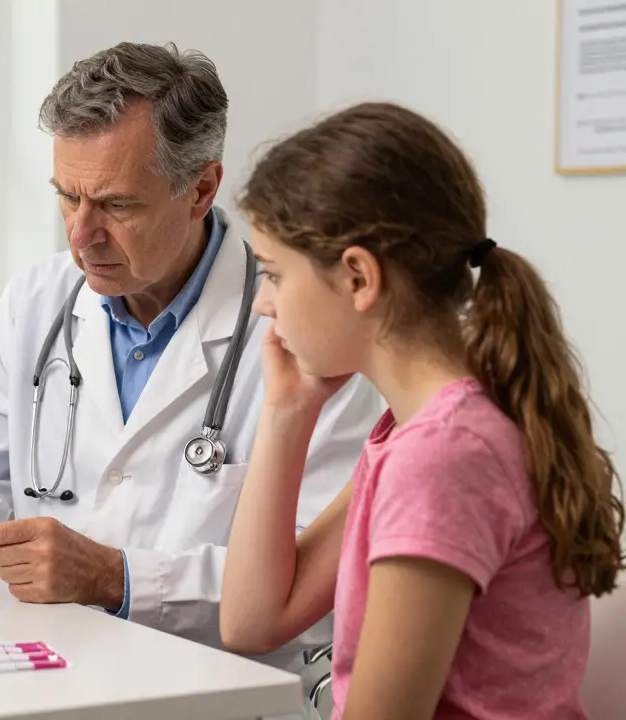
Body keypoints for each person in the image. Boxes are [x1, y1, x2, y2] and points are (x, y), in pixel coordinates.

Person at [0, 41, 386, 710]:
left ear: (201, 187)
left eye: (116, 205)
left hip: (219, 694)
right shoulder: (37, 302)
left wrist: (121, 579)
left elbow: (323, 576)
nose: (81, 235)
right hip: (45, 679)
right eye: (68, 197)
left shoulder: (303, 320)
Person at [218, 101, 625, 718]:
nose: (263, 306)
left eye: (274, 275)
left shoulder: (444, 455)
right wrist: (286, 412)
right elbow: (251, 623)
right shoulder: (425, 430)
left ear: (358, 278)